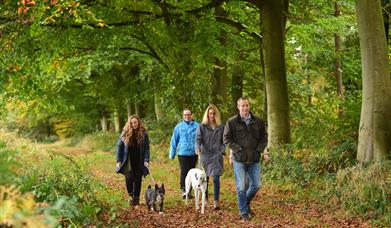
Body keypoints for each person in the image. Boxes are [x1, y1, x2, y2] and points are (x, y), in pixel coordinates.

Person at [223, 97, 268, 221]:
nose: (245, 108)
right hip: (239, 160)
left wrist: (259, 150)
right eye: (242, 106)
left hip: (254, 159)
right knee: (241, 187)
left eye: (247, 105)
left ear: (249, 106)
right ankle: (244, 212)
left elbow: (264, 137)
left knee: (256, 185)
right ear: (238, 107)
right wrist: (238, 149)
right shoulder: (232, 122)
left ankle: (244, 203)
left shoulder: (258, 121)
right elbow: (226, 139)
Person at [195, 104, 225, 210]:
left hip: (216, 155)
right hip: (205, 154)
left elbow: (223, 141)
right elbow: (198, 139)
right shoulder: (202, 126)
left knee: (216, 178)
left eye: (213, 113)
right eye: (210, 113)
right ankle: (205, 197)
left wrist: (222, 150)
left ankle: (216, 201)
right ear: (207, 114)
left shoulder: (221, 126)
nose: (212, 115)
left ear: (216, 115)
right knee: (205, 178)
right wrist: (198, 147)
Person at [116, 115, 150, 206]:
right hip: (128, 160)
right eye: (131, 123)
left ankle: (136, 199)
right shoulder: (125, 132)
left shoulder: (144, 133)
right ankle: (131, 195)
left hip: (139, 160)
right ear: (129, 123)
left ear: (138, 122)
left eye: (135, 122)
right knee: (129, 178)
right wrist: (118, 160)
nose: (133, 124)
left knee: (138, 179)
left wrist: (146, 160)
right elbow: (119, 146)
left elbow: (147, 148)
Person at [169, 108, 199, 198]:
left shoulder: (197, 126)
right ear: (183, 116)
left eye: (188, 114)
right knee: (184, 170)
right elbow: (174, 140)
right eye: (185, 115)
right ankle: (184, 189)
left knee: (192, 171)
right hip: (182, 153)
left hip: (194, 153)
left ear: (191, 115)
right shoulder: (179, 127)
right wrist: (172, 153)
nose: (187, 116)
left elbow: (200, 138)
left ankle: (189, 191)